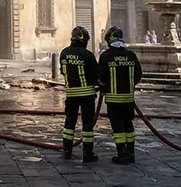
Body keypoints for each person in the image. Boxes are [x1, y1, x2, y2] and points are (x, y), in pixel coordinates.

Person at [97, 26, 141, 165]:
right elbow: (138, 74)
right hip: (128, 99)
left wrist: (103, 87)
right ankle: (131, 153)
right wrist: (130, 86)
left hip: (113, 99)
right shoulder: (131, 55)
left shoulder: (106, 56)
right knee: (128, 125)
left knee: (118, 128)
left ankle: (121, 154)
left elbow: (101, 76)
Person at [59, 26, 99, 163]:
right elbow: (95, 75)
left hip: (71, 95)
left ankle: (67, 151)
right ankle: (88, 153)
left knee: (69, 122)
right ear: (84, 40)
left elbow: (63, 72)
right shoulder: (88, 55)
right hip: (87, 95)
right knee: (87, 125)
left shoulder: (64, 53)